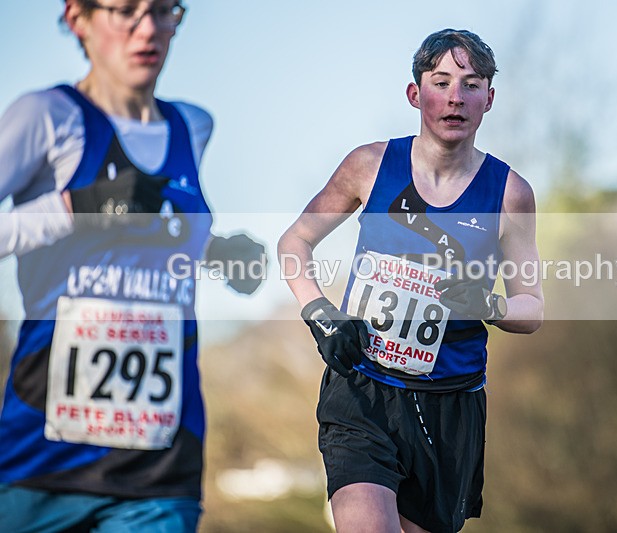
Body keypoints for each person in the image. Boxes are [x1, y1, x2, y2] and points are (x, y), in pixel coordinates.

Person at [0, 1, 265, 531]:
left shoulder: (191, 126)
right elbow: (104, 212)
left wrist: (218, 254)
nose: (148, 29)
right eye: (125, 11)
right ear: (79, 19)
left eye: (164, 10)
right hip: (42, 459)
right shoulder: (47, 116)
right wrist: (79, 206)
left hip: (159, 464)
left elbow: (154, 229)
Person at [279, 28, 544, 533]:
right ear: (414, 93)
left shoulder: (510, 194)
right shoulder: (369, 165)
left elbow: (532, 307)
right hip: (363, 391)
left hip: (451, 406)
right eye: (440, 81)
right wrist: (319, 312)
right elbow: (294, 243)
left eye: (470, 84)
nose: (454, 97)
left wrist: (486, 302)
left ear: (489, 98)